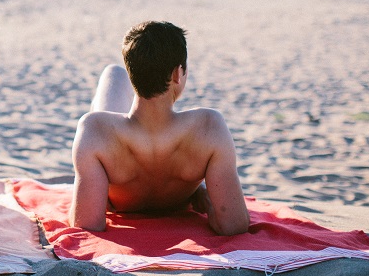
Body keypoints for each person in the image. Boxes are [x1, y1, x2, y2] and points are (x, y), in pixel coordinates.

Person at [70, 21, 250, 235]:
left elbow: (86, 224)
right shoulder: (209, 127)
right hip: (178, 197)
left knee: (113, 73)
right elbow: (233, 225)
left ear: (133, 73)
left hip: (122, 193)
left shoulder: (94, 129)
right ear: (177, 74)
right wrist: (210, 201)